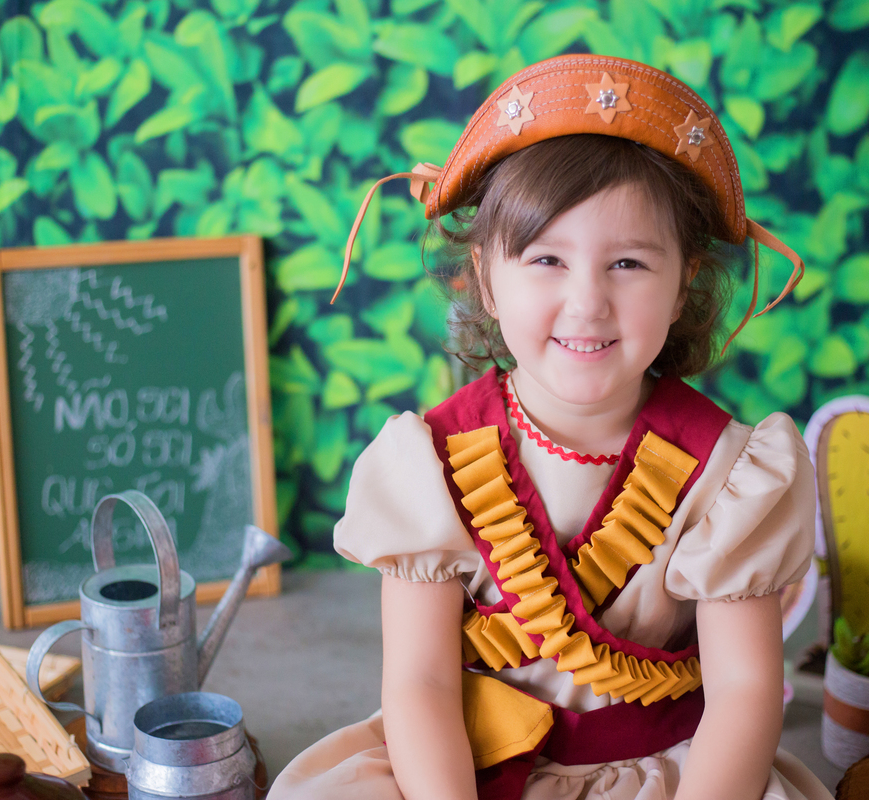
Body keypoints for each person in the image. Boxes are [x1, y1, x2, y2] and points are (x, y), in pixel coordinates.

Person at [268, 54, 834, 800]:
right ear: (484, 278)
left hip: (673, 775)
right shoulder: (429, 466)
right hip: (457, 768)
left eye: (628, 263)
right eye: (546, 259)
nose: (586, 302)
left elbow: (745, 692)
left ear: (684, 283)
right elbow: (422, 684)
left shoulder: (732, 473)